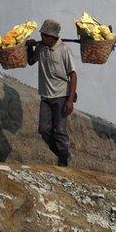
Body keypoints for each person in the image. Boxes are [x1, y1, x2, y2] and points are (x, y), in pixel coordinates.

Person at [26, 19, 77, 167]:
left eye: (46, 36)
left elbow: (73, 75)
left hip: (61, 95)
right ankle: (63, 155)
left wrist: (70, 100)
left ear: (54, 37)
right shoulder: (41, 47)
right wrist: (30, 47)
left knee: (60, 131)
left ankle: (63, 161)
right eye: (42, 35)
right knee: (43, 130)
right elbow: (31, 61)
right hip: (46, 95)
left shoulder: (64, 50)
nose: (43, 39)